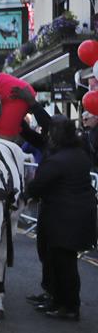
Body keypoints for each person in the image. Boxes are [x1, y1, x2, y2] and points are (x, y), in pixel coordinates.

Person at [24, 117, 97, 320]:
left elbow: (38, 185)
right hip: (73, 215)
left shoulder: (58, 160)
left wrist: (24, 194)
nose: (48, 135)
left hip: (63, 217)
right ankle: (58, 300)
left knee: (63, 264)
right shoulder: (78, 153)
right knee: (59, 260)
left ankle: (68, 306)